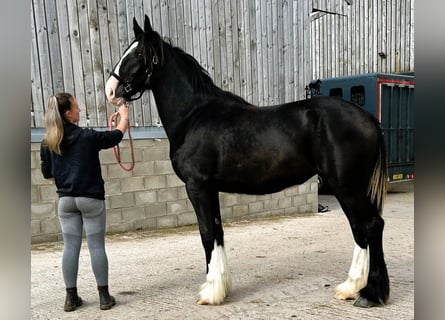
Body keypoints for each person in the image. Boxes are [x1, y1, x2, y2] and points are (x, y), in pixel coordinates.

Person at [40, 92, 129, 312]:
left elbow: (48, 175)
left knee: (70, 248)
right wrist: (124, 117)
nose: (80, 110)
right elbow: (114, 137)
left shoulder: (47, 142)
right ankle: (104, 297)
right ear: (69, 114)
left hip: (66, 202)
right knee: (96, 247)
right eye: (76, 107)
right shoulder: (87, 136)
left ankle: (71, 299)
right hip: (91, 200)